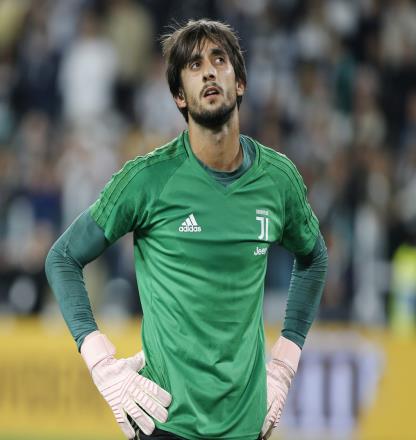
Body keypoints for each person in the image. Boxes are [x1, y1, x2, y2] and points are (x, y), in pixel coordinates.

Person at [46, 19, 328, 440]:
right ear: (180, 95)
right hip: (165, 422)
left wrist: (285, 362)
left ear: (240, 83)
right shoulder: (147, 179)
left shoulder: (277, 179)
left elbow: (314, 257)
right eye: (194, 66)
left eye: (219, 60)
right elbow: (63, 257)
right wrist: (99, 361)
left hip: (247, 425)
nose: (209, 72)